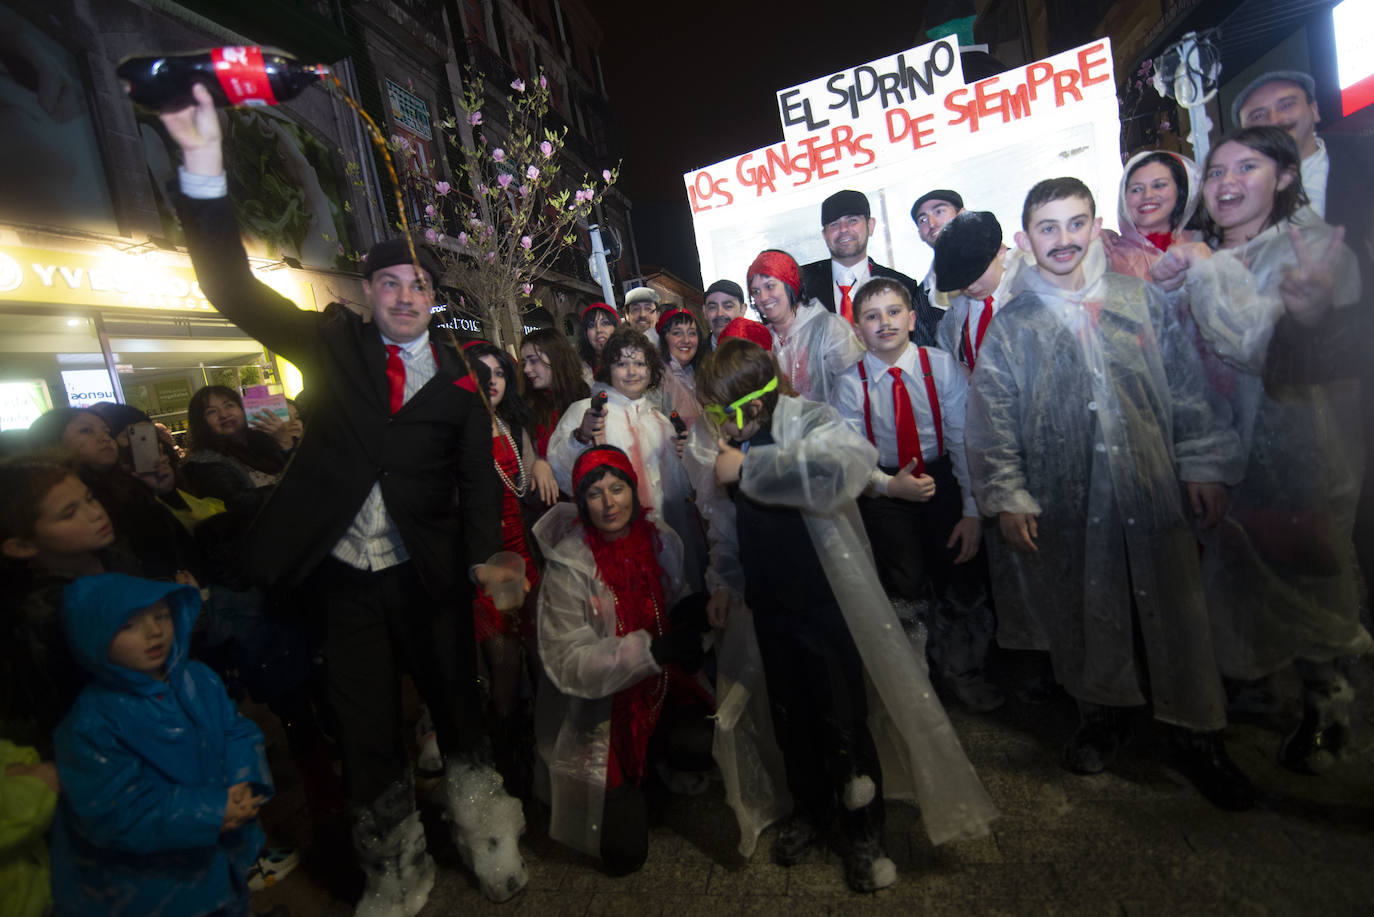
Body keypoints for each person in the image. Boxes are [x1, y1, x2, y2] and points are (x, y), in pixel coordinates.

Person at [161, 83, 525, 909]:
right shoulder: (332, 343)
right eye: (388, 282)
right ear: (367, 293)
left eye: (418, 285)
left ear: (435, 298)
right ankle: (396, 866)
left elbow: (475, 482)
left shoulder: (465, 381)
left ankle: (487, 830)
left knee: (457, 710)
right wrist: (203, 167)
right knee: (365, 729)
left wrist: (488, 560)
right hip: (344, 578)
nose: (404, 295)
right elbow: (232, 288)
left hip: (427, 576)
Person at [965, 176, 1253, 809]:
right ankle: (1102, 715)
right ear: (1024, 240)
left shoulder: (1138, 297)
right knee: (1082, 608)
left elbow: (1183, 386)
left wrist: (1202, 462)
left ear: (1096, 226)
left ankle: (1199, 735)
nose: (1063, 239)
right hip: (1066, 501)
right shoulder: (1013, 326)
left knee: (1177, 609)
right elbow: (994, 418)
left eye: (1075, 223)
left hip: (1151, 486)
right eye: (1047, 227)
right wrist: (1008, 496)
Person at [686, 337, 997, 893]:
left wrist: (750, 466)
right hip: (771, 605)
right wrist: (727, 581)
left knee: (841, 715)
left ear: (752, 405)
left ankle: (863, 828)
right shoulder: (727, 447)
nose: (714, 426)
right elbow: (724, 525)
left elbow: (839, 469)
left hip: (825, 603)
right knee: (791, 717)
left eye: (718, 412)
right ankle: (811, 808)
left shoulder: (808, 419)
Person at [1150, 127, 1370, 773]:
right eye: (1216, 170)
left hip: (1296, 454)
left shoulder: (1314, 251)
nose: (1226, 182)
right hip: (1224, 453)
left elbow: (1254, 345)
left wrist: (1306, 309)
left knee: (1308, 577)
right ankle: (1261, 683)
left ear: (1282, 176)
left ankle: (1328, 705)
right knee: (1239, 572)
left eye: (1247, 166)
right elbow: (1185, 363)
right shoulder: (1206, 254)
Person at [533, 445, 713, 875]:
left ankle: (657, 759)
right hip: (600, 713)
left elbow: (671, 601)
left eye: (618, 488)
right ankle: (633, 779)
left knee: (702, 745)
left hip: (657, 690)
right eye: (595, 494)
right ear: (581, 502)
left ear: (633, 489)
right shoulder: (570, 566)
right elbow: (568, 661)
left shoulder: (657, 538)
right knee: (625, 854)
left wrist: (690, 616)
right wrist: (649, 650)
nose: (610, 502)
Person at [50, 573, 272, 917]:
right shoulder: (92, 724)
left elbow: (235, 730)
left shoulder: (196, 678)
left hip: (222, 856)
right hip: (161, 888)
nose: (154, 632)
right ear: (93, 637)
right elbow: (115, 812)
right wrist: (211, 811)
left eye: (161, 616)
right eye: (129, 625)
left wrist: (244, 781)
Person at [831, 278, 1001, 711]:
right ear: (858, 330)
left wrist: (971, 510)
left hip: (943, 478)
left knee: (961, 575)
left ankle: (964, 669)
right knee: (902, 584)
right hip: (884, 485)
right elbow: (851, 459)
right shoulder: (849, 385)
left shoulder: (941, 367)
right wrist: (890, 486)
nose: (884, 323)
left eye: (892, 312)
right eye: (871, 316)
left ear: (911, 318)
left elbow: (964, 440)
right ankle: (916, 685)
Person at [464, 340, 556, 793]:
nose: (492, 381)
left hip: (526, 562)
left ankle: (549, 764)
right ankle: (510, 773)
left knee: (541, 661)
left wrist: (537, 459)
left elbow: (524, 475)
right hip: (487, 568)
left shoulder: (513, 422)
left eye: (499, 372)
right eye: (481, 374)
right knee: (504, 671)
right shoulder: (458, 432)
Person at [548, 327, 704, 590]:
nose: (632, 372)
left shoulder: (661, 422)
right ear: (609, 368)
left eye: (639, 363)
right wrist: (581, 437)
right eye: (622, 363)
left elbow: (682, 492)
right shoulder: (585, 412)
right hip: (608, 544)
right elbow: (561, 474)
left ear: (651, 370)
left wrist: (689, 456)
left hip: (663, 544)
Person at [801, 189, 941, 343]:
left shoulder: (904, 285)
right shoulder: (801, 283)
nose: (843, 229)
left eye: (852, 220)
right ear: (824, 235)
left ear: (871, 225)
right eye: (834, 225)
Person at [747, 249, 863, 405]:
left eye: (770, 286)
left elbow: (856, 393)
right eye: (756, 291)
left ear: (790, 283)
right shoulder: (760, 341)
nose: (763, 298)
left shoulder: (830, 328)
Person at [182, 384, 288, 514]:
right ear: (201, 422)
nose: (224, 415)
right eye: (211, 412)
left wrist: (284, 440)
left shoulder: (267, 440)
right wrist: (290, 488)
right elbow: (237, 502)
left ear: (243, 409)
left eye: (229, 405)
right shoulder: (204, 461)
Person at [932, 210, 1016, 372]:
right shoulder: (957, 314)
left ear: (1000, 252)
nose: (970, 286)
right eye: (961, 281)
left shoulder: (1030, 297)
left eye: (976, 274)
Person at [1101, 150, 1202, 279]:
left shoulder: (1204, 243)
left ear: (1180, 191)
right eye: (1136, 189)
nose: (1147, 195)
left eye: (1159, 185)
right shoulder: (1107, 255)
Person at [520, 327, 590, 460]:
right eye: (524, 363)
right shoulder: (526, 405)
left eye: (534, 360)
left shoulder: (584, 394)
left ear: (556, 357)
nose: (527, 369)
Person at [911, 188, 966, 304]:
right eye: (923, 219)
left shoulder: (1006, 260)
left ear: (963, 215)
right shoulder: (920, 298)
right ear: (920, 234)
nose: (931, 223)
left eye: (939, 212)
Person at [655, 306, 706, 429]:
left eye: (692, 333)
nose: (686, 340)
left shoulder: (700, 373)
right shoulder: (656, 378)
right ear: (664, 338)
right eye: (677, 333)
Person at [577, 301, 620, 384]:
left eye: (605, 323)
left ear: (616, 329)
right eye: (591, 325)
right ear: (585, 334)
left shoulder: (633, 362)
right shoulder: (578, 372)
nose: (599, 330)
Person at [702, 279, 747, 350]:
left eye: (728, 306)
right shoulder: (694, 356)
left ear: (743, 310)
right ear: (705, 312)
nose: (720, 314)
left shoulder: (761, 349)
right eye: (712, 307)